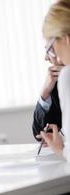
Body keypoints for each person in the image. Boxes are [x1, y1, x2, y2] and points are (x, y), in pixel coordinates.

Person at [38, 0, 70, 161]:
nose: (52, 55)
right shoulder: (59, 78)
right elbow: (38, 132)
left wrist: (62, 150)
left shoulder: (67, 75)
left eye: (51, 46)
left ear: (66, 39)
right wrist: (44, 93)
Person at [32, 57, 64, 141]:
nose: (46, 58)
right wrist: (45, 92)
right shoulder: (57, 82)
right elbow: (40, 135)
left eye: (50, 50)